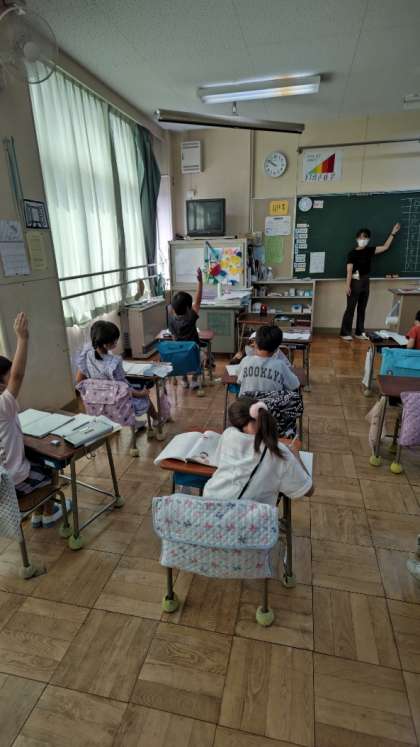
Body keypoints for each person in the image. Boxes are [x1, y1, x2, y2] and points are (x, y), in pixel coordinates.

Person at [0, 313, 62, 528]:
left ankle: (38, 513)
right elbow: (18, 376)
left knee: (33, 459)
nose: (12, 381)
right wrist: (22, 338)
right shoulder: (3, 405)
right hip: (12, 486)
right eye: (7, 377)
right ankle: (48, 511)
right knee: (51, 466)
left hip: (3, 483)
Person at [203, 398, 312, 505]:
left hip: (208, 505)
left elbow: (218, 463)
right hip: (249, 515)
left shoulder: (228, 434)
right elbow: (308, 490)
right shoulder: (279, 452)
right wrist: (296, 456)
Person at [76, 320, 159, 422]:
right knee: (144, 395)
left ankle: (135, 423)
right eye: (115, 340)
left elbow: (79, 380)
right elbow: (124, 389)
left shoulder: (86, 353)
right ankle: (156, 420)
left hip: (96, 401)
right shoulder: (114, 362)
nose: (116, 342)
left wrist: (97, 387)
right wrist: (141, 393)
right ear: (106, 344)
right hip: (118, 402)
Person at [236, 325, 302, 437]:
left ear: (255, 343)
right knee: (292, 397)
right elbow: (295, 385)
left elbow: (238, 380)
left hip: (246, 415)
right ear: (277, 349)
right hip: (271, 418)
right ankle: (288, 432)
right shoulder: (280, 365)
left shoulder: (245, 361)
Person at [340, 223, 400, 341]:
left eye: (365, 237)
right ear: (357, 238)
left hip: (366, 280)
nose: (363, 240)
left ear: (368, 239)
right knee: (350, 308)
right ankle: (344, 332)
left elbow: (385, 247)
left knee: (362, 308)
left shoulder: (369, 250)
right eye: (361, 237)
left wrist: (393, 233)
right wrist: (347, 285)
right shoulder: (352, 253)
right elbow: (349, 271)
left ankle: (359, 332)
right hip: (355, 281)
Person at [167, 268, 203, 389]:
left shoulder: (171, 321)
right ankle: (194, 380)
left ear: (174, 308)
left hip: (180, 353)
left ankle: (184, 380)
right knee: (202, 356)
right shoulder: (191, 317)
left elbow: (174, 339)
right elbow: (198, 300)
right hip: (194, 353)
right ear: (188, 308)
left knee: (182, 358)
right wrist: (200, 281)